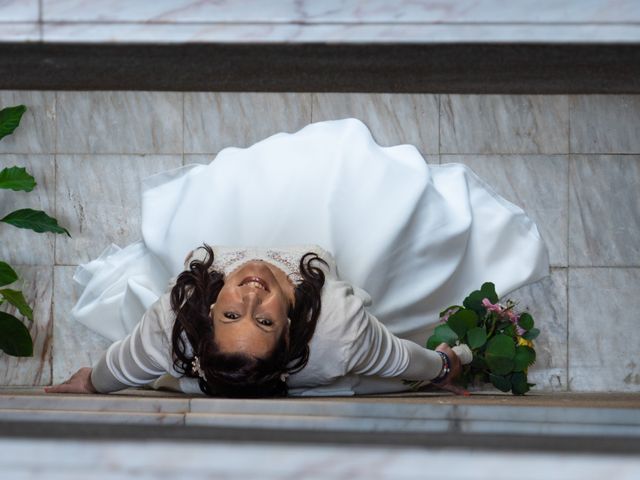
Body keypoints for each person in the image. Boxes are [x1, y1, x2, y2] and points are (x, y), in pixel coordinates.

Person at [45, 118, 549, 397]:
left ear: (206, 313)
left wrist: (88, 381)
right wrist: (445, 367)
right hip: (320, 277)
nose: (250, 291)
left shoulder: (177, 319)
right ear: (290, 329)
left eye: (230, 313)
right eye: (262, 320)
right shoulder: (340, 328)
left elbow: (123, 365)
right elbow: (402, 359)